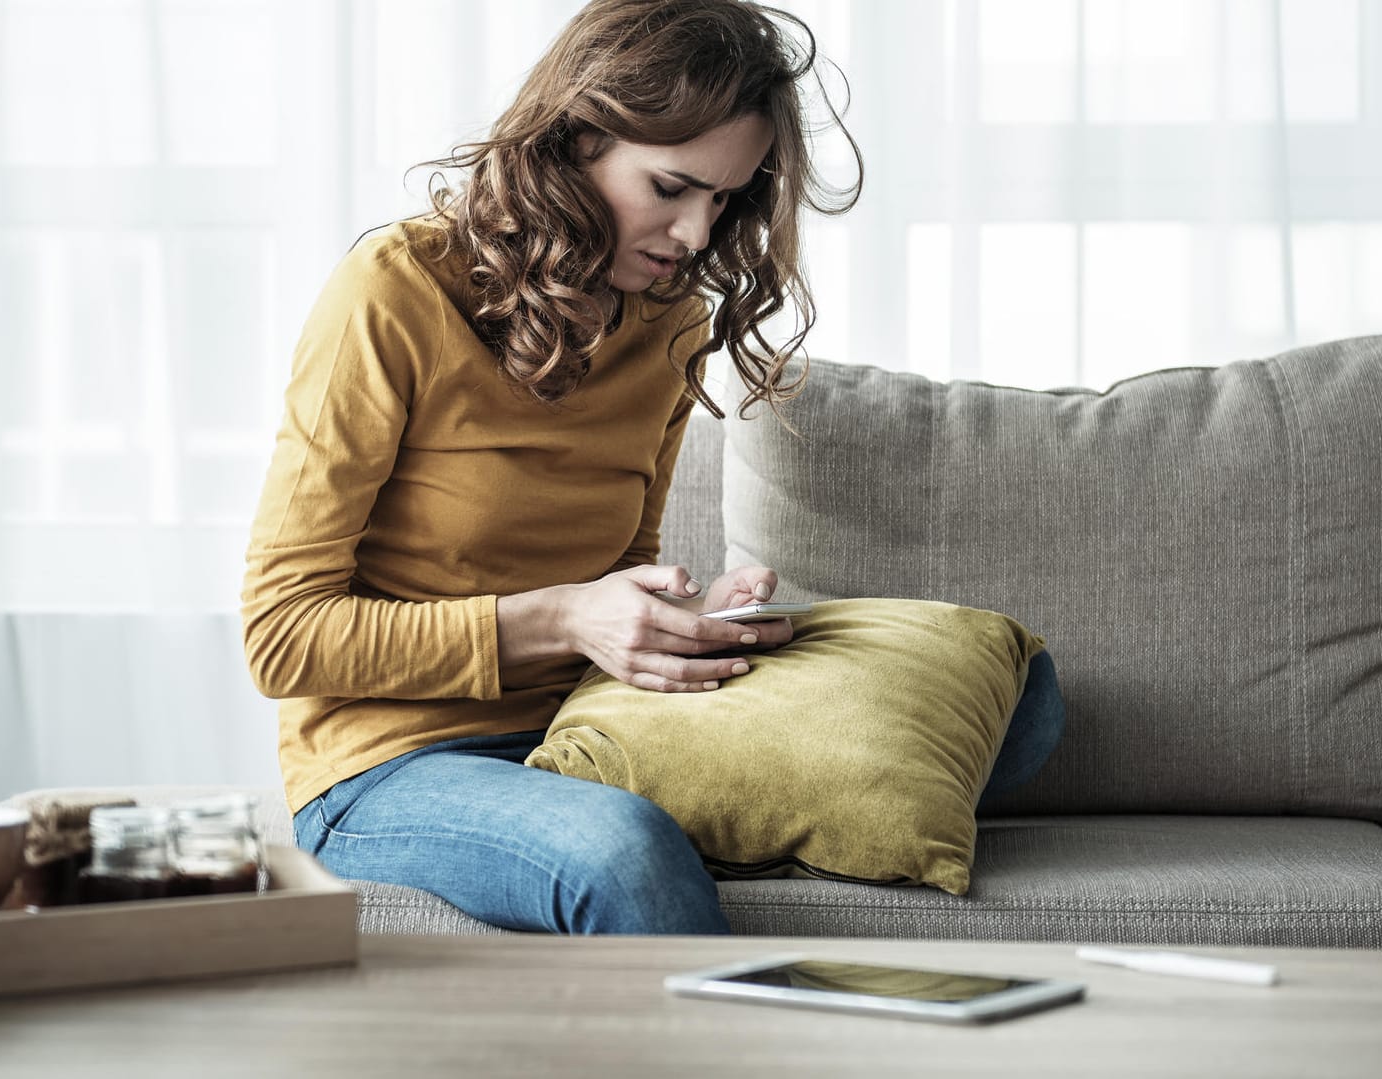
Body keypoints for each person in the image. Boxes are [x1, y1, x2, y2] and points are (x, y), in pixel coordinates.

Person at [246, 0, 990, 934]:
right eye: (672, 186)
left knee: (1005, 690)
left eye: (724, 200)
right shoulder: (393, 292)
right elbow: (282, 637)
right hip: (390, 760)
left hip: (593, 727)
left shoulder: (669, 317)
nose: (694, 234)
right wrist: (565, 617)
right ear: (577, 136)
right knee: (622, 854)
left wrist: (676, 619)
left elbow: (615, 569)